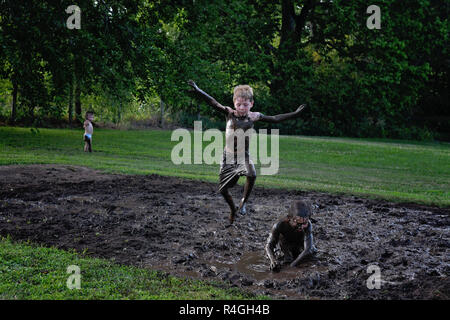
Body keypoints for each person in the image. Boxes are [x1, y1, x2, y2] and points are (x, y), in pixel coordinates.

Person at [188, 80, 306, 224]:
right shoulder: (229, 113)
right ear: (234, 103)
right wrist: (199, 90)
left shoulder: (254, 116)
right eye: (239, 104)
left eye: (245, 105)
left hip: (244, 155)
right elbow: (213, 102)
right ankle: (233, 210)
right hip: (228, 158)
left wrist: (295, 114)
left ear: (251, 104)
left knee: (252, 174)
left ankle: (243, 203)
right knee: (223, 189)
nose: (242, 108)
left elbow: (275, 118)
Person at [265, 200, 318, 271]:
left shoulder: (308, 225)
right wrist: (273, 260)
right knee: (285, 259)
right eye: (298, 223)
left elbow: (308, 249)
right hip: (285, 245)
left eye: (304, 223)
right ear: (289, 218)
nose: (301, 227)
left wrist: (293, 265)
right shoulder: (279, 225)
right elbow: (269, 246)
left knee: (312, 254)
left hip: (300, 244)